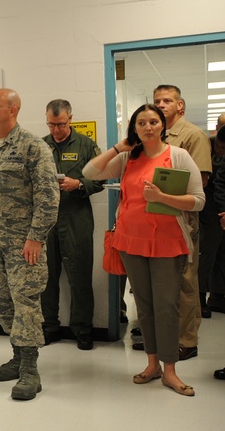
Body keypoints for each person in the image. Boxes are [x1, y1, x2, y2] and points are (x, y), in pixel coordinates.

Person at [84, 104, 204, 396]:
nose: (148, 127)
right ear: (134, 128)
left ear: (163, 125)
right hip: (130, 241)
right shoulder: (128, 158)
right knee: (145, 307)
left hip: (167, 242)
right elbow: (89, 172)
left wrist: (162, 197)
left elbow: (199, 200)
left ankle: (171, 371)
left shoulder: (178, 155)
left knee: (167, 306)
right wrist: (117, 147)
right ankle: (152, 365)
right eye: (141, 123)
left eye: (153, 121)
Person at [0, 88, 59, 401]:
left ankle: (31, 369)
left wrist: (36, 237)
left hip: (23, 244)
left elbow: (47, 196)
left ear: (13, 109)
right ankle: (18, 357)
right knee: (3, 304)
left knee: (26, 303)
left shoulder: (33, 147)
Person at [152, 85, 211, 361]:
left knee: (185, 280)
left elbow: (201, 182)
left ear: (180, 106)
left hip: (183, 219)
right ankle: (163, 338)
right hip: (155, 219)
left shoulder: (192, 135)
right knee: (161, 283)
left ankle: (187, 340)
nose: (161, 105)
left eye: (167, 101)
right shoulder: (154, 135)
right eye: (157, 101)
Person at [40, 99, 104, 350]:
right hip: (46, 221)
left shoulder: (86, 145)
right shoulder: (40, 146)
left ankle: (83, 329)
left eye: (61, 124)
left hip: (76, 218)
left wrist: (78, 184)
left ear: (71, 119)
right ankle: (50, 327)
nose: (56, 129)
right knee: (45, 277)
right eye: (52, 124)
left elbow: (101, 179)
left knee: (80, 278)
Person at [199, 114, 225, 317]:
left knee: (222, 252)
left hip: (222, 205)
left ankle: (217, 296)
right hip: (207, 206)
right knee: (207, 251)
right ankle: (199, 297)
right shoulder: (206, 145)